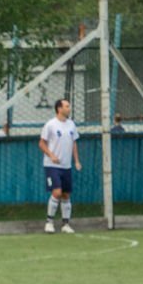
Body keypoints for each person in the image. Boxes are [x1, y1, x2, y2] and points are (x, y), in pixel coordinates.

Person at [39, 98, 81, 234]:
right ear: (59, 109)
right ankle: (49, 222)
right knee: (57, 192)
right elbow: (41, 143)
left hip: (66, 165)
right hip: (52, 165)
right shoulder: (50, 124)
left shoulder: (71, 124)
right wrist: (51, 155)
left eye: (69, 106)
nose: (69, 108)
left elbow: (74, 143)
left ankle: (65, 224)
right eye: (67, 106)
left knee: (66, 194)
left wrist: (76, 161)